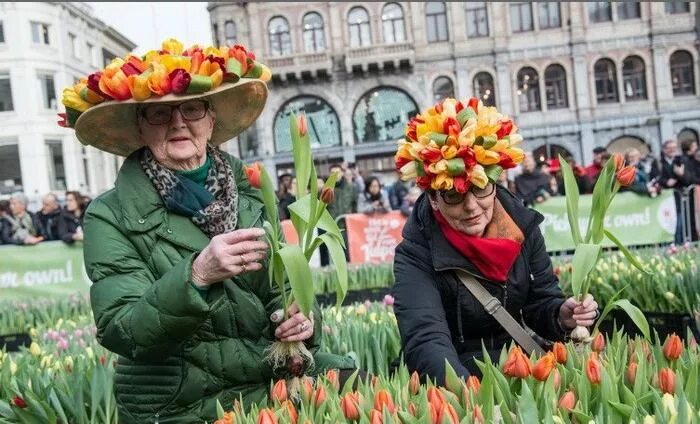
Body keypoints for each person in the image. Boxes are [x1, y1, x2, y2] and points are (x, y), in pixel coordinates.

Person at [59, 39, 353, 423]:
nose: (179, 122)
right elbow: (123, 331)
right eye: (160, 114)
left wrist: (300, 320)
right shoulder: (109, 214)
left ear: (211, 120)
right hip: (180, 401)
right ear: (141, 128)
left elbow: (279, 294)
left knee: (354, 378)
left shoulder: (250, 193)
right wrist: (197, 276)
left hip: (265, 377)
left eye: (192, 108)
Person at [391, 98, 599, 384]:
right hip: (455, 376)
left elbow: (542, 302)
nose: (472, 207)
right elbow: (426, 338)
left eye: (480, 188)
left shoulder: (523, 228)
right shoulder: (415, 253)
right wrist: (470, 397)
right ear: (434, 199)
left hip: (519, 368)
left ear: (495, 181)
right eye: (453, 195)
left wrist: (562, 316)